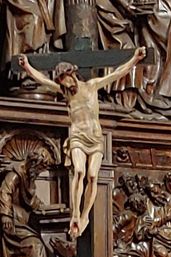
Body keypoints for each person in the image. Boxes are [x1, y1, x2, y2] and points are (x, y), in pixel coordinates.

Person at [18, 47, 146, 238]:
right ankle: (76, 214)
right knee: (79, 171)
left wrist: (135, 59)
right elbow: (42, 80)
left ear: (71, 74)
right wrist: (27, 67)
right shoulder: (65, 92)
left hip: (95, 138)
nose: (62, 83)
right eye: (60, 80)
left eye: (63, 78)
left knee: (93, 176)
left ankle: (85, 215)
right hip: (77, 136)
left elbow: (118, 72)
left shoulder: (92, 85)